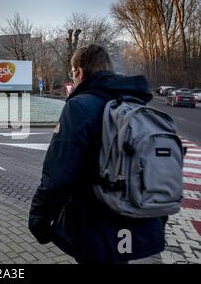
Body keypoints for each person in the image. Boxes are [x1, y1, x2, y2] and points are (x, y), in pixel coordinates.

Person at [28, 44, 168, 264]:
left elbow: (59, 174)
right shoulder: (136, 105)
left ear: (79, 72)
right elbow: (159, 170)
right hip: (139, 226)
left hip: (97, 227)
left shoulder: (79, 107)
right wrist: (158, 221)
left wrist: (39, 219)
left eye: (73, 74)